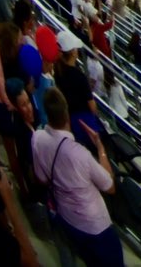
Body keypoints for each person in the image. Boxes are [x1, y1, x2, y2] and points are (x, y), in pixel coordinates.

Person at [31, 89, 120, 267]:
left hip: (67, 219)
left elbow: (41, 178)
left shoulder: (37, 137)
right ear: (66, 114)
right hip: (96, 227)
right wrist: (100, 149)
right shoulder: (80, 154)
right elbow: (110, 186)